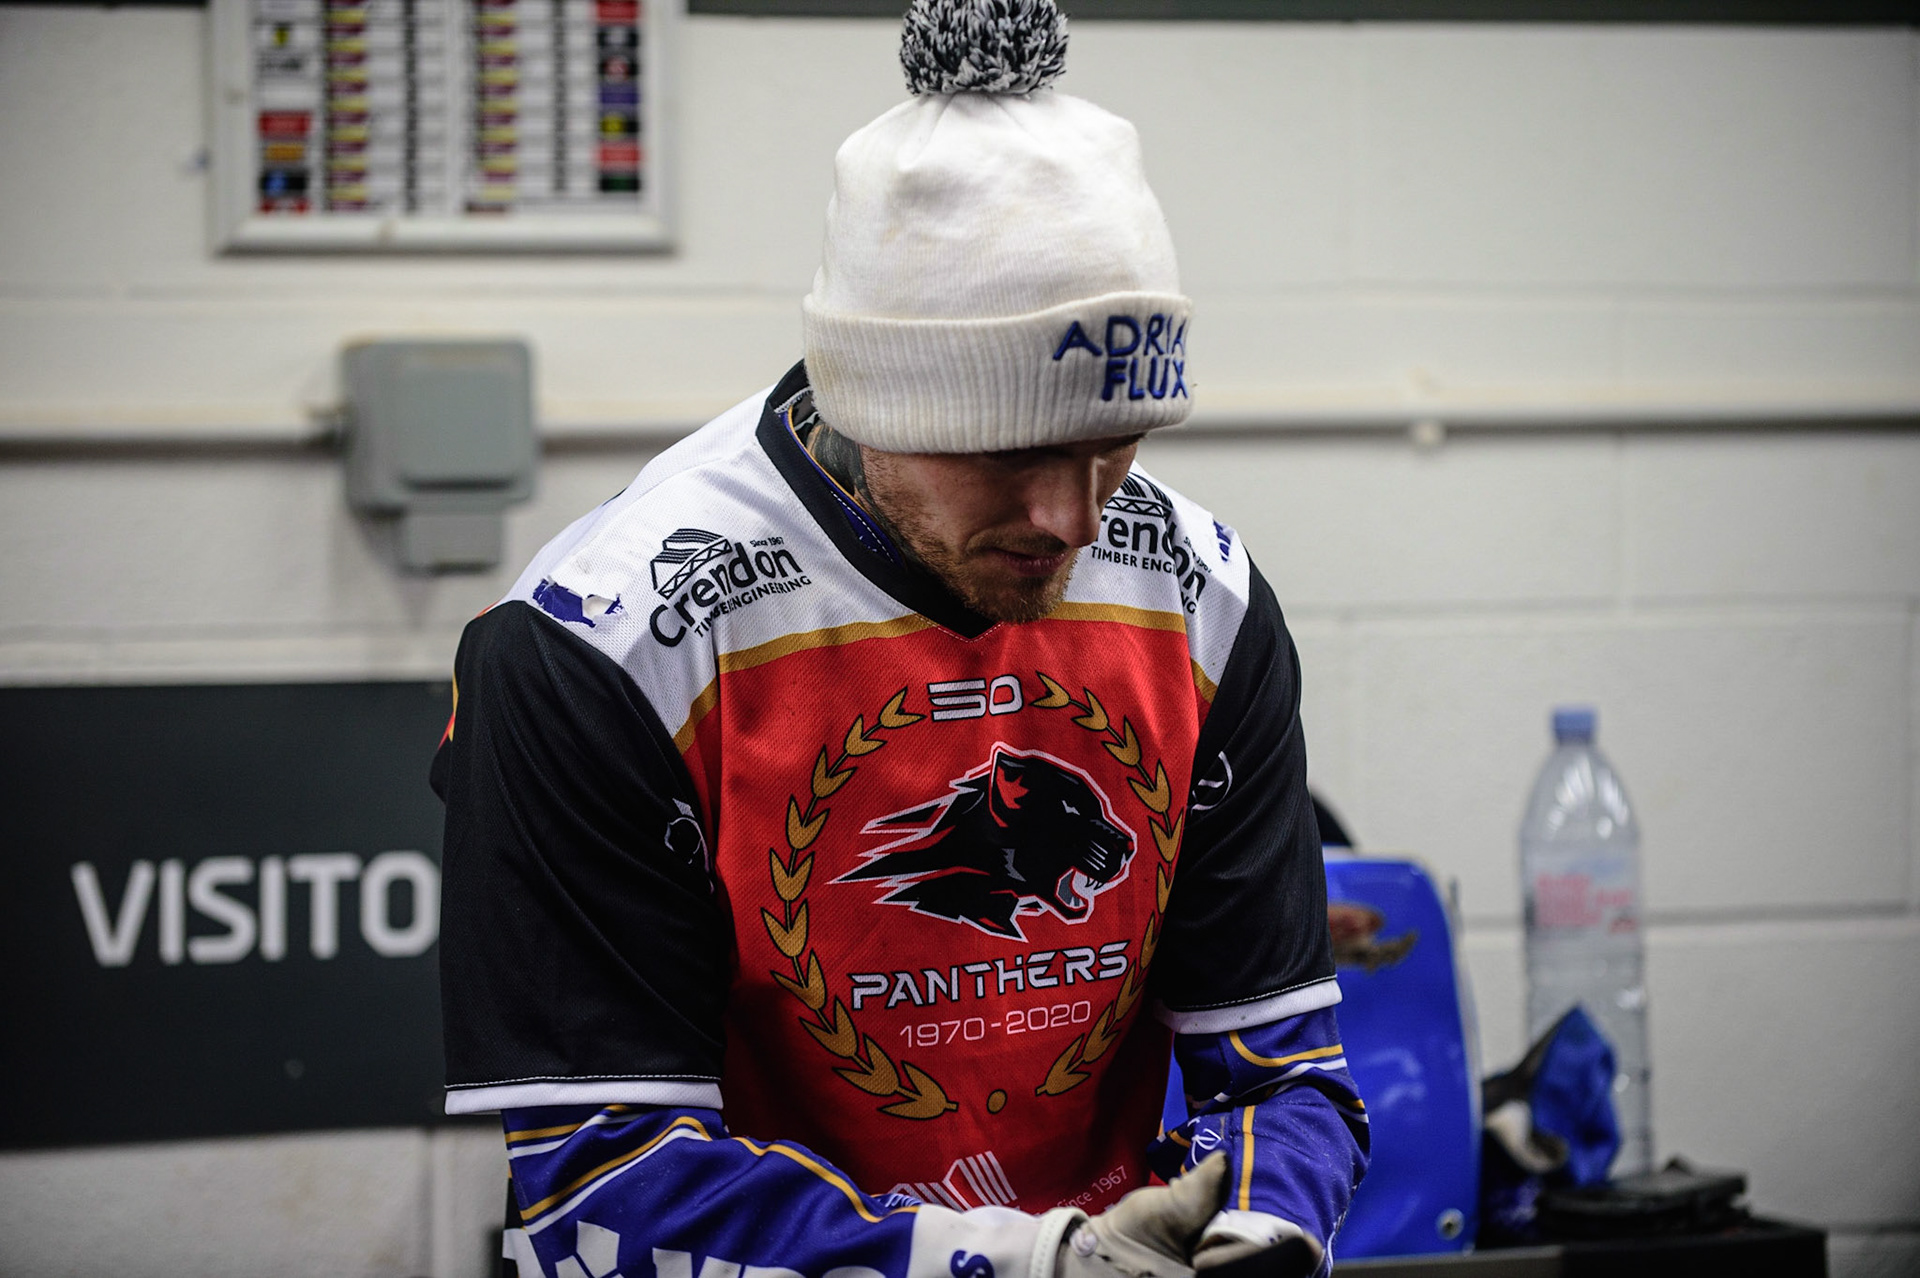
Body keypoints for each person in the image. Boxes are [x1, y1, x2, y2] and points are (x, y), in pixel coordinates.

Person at [431, 3, 1369, 1277]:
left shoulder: (1201, 600)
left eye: (1115, 448)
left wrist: (1264, 1220)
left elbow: (1282, 1079)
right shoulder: (602, 649)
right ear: (872, 397)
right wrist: (1025, 1264)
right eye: (1008, 451)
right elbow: (601, 1186)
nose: (1072, 518)